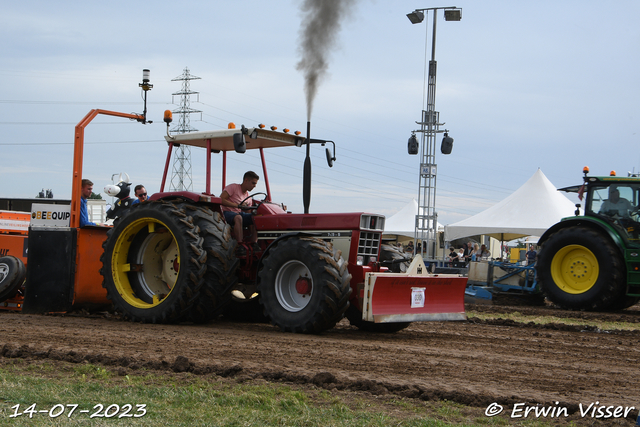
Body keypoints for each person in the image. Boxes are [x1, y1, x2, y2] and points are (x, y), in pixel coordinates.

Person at [220, 171, 260, 255]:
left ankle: (254, 243)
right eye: (253, 183)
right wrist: (237, 205)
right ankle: (240, 244)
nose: (254, 186)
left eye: (255, 184)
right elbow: (221, 200)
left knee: (256, 218)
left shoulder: (248, 197)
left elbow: (248, 213)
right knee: (238, 217)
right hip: (226, 213)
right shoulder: (233, 188)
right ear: (246, 180)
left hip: (238, 214)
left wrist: (251, 219)